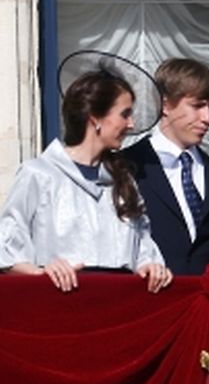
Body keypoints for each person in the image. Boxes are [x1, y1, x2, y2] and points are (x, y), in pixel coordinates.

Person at [0, 70, 171, 293]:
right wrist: (41, 273)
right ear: (95, 118)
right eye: (124, 114)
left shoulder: (123, 181)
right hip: (62, 303)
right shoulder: (38, 175)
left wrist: (152, 268)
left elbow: (143, 248)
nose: (131, 124)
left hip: (119, 304)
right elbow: (7, 247)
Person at [123, 58, 209, 275]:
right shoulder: (126, 168)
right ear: (165, 105)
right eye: (197, 106)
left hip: (208, 295)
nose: (207, 118)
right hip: (151, 293)